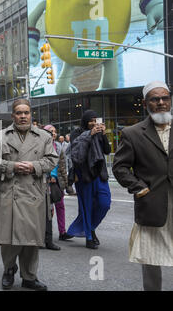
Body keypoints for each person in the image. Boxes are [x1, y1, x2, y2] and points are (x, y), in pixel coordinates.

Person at [0, 99, 58, 291]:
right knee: (8, 240)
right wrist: (12, 166)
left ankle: (29, 276)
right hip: (9, 193)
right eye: (19, 113)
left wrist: (34, 166)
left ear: (31, 114)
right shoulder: (0, 136)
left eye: (26, 112)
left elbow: (52, 160)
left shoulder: (44, 136)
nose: (23, 116)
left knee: (31, 239)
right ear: (13, 116)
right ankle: (9, 270)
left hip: (33, 193)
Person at [113, 81, 173, 291]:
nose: (161, 103)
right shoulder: (133, 133)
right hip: (152, 203)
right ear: (145, 103)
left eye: (165, 98)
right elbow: (120, 168)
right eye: (155, 99)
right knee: (150, 257)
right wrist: (139, 188)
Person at [66, 110, 112, 249]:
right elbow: (76, 152)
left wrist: (103, 135)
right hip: (84, 174)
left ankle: (88, 228)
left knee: (105, 203)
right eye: (90, 120)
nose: (93, 123)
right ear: (85, 121)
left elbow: (107, 150)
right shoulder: (77, 133)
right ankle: (89, 237)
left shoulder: (99, 132)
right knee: (86, 207)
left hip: (99, 173)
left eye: (95, 120)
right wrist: (89, 135)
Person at [43, 125, 69, 248]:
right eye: (50, 131)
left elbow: (63, 166)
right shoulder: (42, 145)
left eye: (54, 131)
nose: (53, 133)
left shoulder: (59, 147)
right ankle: (45, 235)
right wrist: (49, 176)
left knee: (60, 206)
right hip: (45, 181)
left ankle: (62, 231)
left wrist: (66, 183)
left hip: (57, 181)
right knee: (48, 209)